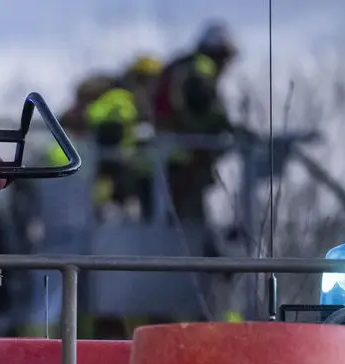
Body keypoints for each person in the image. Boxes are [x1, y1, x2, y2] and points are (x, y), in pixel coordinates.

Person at [152, 21, 239, 223]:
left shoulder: (180, 65)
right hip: (188, 154)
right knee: (189, 218)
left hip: (172, 152)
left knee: (179, 209)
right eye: (225, 57)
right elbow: (205, 109)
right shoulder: (201, 68)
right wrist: (228, 128)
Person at [83, 54, 163, 221]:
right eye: (149, 81)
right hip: (111, 187)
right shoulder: (122, 101)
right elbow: (110, 141)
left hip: (110, 183)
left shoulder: (122, 99)